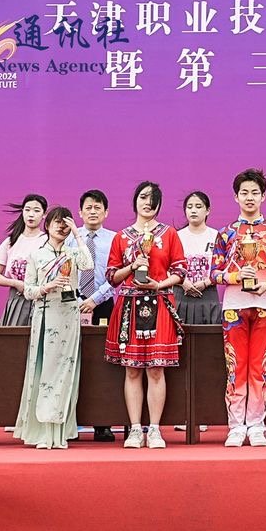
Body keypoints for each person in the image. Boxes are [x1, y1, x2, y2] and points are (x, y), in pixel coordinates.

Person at [211, 169, 266, 448]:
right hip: (233, 307)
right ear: (236, 197)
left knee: (260, 367)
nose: (249, 197)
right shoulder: (225, 234)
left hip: (265, 305)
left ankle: (257, 425)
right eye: (244, 193)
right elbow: (214, 273)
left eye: (255, 193)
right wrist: (236, 277)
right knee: (236, 366)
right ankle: (236, 426)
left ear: (263, 197)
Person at [105, 181, 187, 449]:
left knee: (156, 369)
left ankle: (154, 429)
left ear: (159, 204)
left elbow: (180, 272)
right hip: (129, 306)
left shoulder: (169, 234)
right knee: (131, 371)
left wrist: (159, 285)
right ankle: (134, 429)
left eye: (153, 199)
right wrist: (132, 267)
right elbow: (112, 277)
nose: (147, 203)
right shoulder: (122, 237)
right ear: (135, 201)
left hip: (159, 303)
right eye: (143, 197)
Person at [12, 207, 92, 449]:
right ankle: (42, 433)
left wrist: (78, 234)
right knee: (44, 372)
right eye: (57, 222)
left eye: (66, 223)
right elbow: (28, 290)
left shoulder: (73, 253)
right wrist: (47, 287)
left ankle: (60, 434)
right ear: (47, 225)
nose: (62, 227)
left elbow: (88, 265)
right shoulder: (36, 255)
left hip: (68, 318)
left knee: (65, 373)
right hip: (45, 316)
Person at [74, 189, 118, 441]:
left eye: (97, 207)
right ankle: (70, 423)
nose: (93, 211)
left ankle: (103, 423)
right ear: (80, 212)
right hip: (72, 305)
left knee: (103, 363)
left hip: (103, 304)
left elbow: (116, 277)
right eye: (88, 207)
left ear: (106, 212)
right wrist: (77, 299)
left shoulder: (114, 239)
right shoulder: (70, 238)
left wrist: (94, 299)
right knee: (73, 361)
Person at [0, 194, 46, 327]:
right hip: (17, 299)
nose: (31, 214)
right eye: (27, 210)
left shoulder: (47, 241)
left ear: (44, 215)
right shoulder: (11, 241)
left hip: (41, 299)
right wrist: (16, 283)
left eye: (36, 210)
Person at [176, 191, 222, 325]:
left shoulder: (216, 236)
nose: (193, 210)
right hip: (181, 293)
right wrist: (183, 282)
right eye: (189, 207)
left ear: (207, 211)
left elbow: (222, 267)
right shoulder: (176, 236)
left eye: (198, 206)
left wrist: (206, 283)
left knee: (208, 336)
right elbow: (168, 266)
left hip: (208, 294)